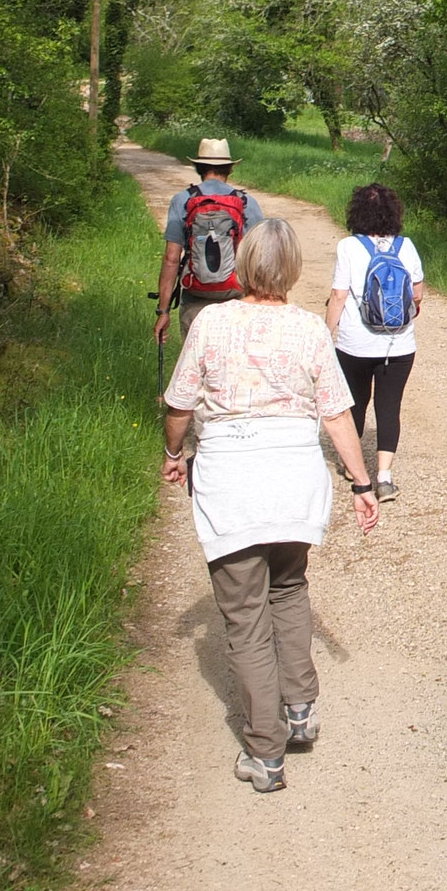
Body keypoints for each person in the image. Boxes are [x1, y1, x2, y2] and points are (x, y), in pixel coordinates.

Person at [161, 217, 379, 794]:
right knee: (288, 587)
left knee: (244, 616)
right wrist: (362, 484)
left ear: (242, 264)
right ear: (292, 271)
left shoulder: (211, 322)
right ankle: (300, 708)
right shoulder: (309, 330)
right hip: (293, 478)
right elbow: (336, 412)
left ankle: (265, 753)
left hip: (232, 480)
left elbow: (180, 402)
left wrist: (174, 451)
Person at [326, 183, 425, 502]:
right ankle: (384, 477)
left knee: (356, 402)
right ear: (394, 213)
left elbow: (339, 296)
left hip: (356, 344)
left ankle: (353, 468)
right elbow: (418, 293)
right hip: (399, 346)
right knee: (389, 407)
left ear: (357, 213)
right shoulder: (406, 246)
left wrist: (329, 334)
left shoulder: (348, 247)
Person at [153, 138, 265, 342]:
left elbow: (171, 258)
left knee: (197, 366)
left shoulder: (183, 200)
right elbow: (260, 259)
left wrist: (163, 311)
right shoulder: (247, 203)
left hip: (196, 298)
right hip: (237, 299)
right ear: (230, 168)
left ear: (198, 167)